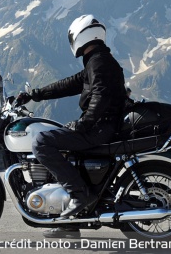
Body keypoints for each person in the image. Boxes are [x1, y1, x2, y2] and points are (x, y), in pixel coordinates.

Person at [17, 14, 127, 239]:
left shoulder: (99, 62)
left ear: (81, 36)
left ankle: (79, 195)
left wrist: (84, 124)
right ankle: (70, 221)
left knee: (41, 141)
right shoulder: (97, 60)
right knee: (55, 140)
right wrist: (36, 95)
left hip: (100, 129)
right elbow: (70, 83)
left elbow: (100, 95)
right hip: (102, 126)